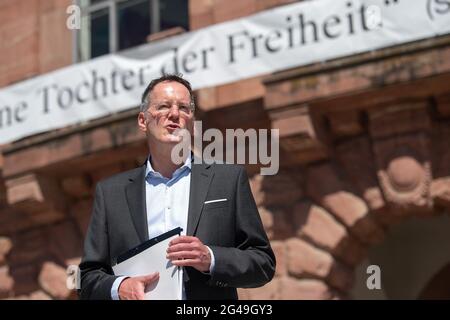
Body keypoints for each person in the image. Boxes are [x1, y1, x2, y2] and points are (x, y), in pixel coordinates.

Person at [78, 74, 275, 300]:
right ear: (143, 121)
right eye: (163, 106)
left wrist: (210, 258)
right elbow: (87, 278)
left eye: (183, 108)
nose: (174, 114)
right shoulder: (111, 193)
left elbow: (263, 263)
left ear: (191, 121)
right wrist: (120, 287)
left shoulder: (227, 180)